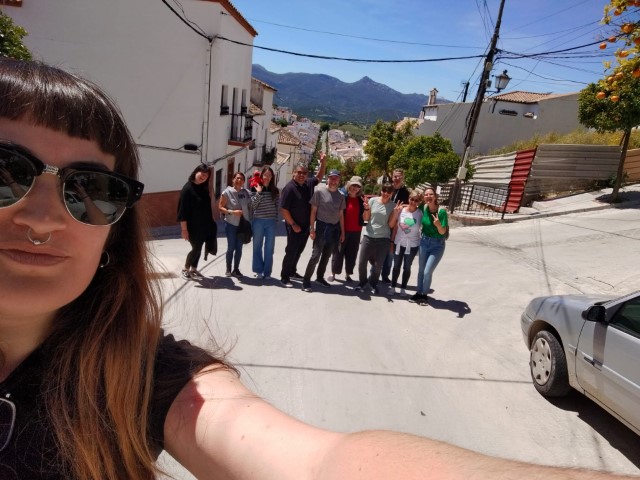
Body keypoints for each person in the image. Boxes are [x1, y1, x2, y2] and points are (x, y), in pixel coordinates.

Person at [1, 59, 632, 480]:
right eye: (7, 173)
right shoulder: (266, 191)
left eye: (91, 189)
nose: (43, 217)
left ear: (115, 230)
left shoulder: (144, 378)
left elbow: (319, 462)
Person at [279, 152, 327, 288]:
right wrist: (293, 224)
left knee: (299, 250)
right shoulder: (289, 188)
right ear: (294, 173)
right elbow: (283, 209)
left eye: (304, 173)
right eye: (299, 172)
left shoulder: (308, 184)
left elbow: (319, 176)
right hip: (294, 226)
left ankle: (292, 272)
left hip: (305, 226)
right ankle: (284, 276)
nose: (301, 175)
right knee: (291, 251)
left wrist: (323, 163)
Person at [302, 170, 345, 292]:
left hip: (334, 229)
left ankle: (319, 277)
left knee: (326, 256)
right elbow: (313, 212)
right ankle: (306, 281)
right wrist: (312, 229)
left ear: (339, 180)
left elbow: (341, 215)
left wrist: (343, 232)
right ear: (328, 179)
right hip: (321, 227)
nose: (333, 181)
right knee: (315, 256)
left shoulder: (341, 196)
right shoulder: (319, 192)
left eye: (336, 178)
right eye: (331, 178)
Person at [355, 183, 403, 295]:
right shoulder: (372, 201)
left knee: (377, 266)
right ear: (381, 191)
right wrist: (366, 208)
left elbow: (391, 225)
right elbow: (366, 218)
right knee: (362, 262)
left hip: (383, 239)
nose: (386, 193)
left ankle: (373, 283)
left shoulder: (393, 205)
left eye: (389, 192)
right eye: (384, 190)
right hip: (369, 236)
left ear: (392, 193)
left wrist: (396, 214)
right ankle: (362, 282)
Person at [176, 164, 217, 280]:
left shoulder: (203, 188)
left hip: (204, 226)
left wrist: (211, 221)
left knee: (199, 247)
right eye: (202, 173)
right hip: (192, 227)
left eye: (206, 175)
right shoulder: (187, 189)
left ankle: (193, 269)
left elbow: (206, 207)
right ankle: (185, 269)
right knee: (196, 248)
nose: (203, 176)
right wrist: (184, 229)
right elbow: (182, 211)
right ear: (196, 172)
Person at [410, 187, 448, 306]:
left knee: (427, 271)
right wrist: (401, 209)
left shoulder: (441, 212)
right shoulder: (423, 208)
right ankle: (418, 293)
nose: (428, 196)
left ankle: (424, 295)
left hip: (437, 244)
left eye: (431, 194)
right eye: (426, 194)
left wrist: (438, 225)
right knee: (421, 270)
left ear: (435, 196)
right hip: (424, 242)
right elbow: (412, 207)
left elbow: (443, 232)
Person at [329, 175, 365, 283]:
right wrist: (341, 231)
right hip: (342, 230)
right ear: (349, 185)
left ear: (360, 188)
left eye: (357, 186)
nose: (355, 188)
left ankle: (348, 274)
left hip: (356, 231)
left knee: (352, 254)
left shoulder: (360, 200)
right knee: (338, 252)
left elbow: (365, 215)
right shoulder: (343, 197)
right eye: (353, 185)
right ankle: (333, 273)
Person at [388, 190, 423, 296]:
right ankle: (393, 287)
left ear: (419, 202)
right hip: (398, 243)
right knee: (396, 267)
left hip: (412, 245)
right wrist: (391, 242)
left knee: (407, 267)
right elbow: (393, 227)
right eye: (412, 199)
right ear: (409, 199)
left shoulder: (420, 214)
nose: (413, 202)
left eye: (416, 200)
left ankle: (403, 288)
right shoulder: (401, 210)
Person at [379, 168, 410, 283]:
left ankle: (385, 275)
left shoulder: (406, 192)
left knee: (391, 252)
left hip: (397, 225)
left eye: (399, 177)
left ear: (402, 178)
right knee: (380, 250)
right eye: (395, 176)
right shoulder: (388, 189)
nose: (396, 179)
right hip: (384, 223)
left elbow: (409, 206)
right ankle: (374, 274)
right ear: (392, 177)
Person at [218, 171, 250, 278]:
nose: (239, 180)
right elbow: (220, 207)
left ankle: (236, 269)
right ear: (233, 179)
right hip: (231, 224)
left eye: (241, 179)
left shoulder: (246, 193)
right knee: (231, 247)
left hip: (242, 225)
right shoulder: (227, 192)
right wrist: (232, 212)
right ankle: (228, 269)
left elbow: (252, 203)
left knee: (239, 248)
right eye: (237, 178)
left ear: (244, 181)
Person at [250, 165, 279, 280]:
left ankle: (267, 272)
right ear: (261, 175)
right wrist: (259, 193)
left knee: (269, 248)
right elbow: (252, 206)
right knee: (257, 246)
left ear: (272, 177)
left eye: (269, 175)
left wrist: (276, 221)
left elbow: (276, 207)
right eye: (265, 175)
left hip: (271, 222)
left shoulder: (275, 191)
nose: (267, 177)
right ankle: (258, 270)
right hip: (258, 221)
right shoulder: (255, 187)